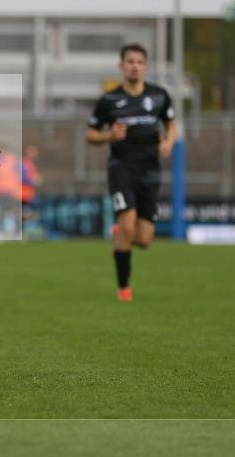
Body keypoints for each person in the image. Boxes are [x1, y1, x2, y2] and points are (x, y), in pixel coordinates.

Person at [86, 43, 177, 302]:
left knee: (145, 240)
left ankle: (121, 236)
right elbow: (90, 134)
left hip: (150, 169)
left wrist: (168, 142)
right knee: (127, 224)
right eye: (130, 61)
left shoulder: (159, 95)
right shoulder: (109, 100)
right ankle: (123, 287)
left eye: (139, 62)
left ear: (145, 66)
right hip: (122, 167)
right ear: (121, 66)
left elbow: (171, 125)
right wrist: (109, 135)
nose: (134, 66)